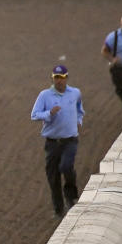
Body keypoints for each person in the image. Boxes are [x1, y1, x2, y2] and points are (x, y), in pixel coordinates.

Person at [31, 64, 85, 218]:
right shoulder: (44, 96)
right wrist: (49, 113)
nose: (59, 81)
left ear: (66, 78)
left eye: (62, 78)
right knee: (53, 175)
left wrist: (79, 119)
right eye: (56, 78)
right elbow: (34, 115)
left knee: (66, 166)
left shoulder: (75, 93)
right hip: (53, 142)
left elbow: (80, 109)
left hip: (70, 140)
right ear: (52, 78)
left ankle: (71, 196)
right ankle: (58, 209)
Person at [101, 15, 122, 109]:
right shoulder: (113, 37)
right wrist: (112, 59)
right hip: (119, 69)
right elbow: (104, 51)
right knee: (120, 89)